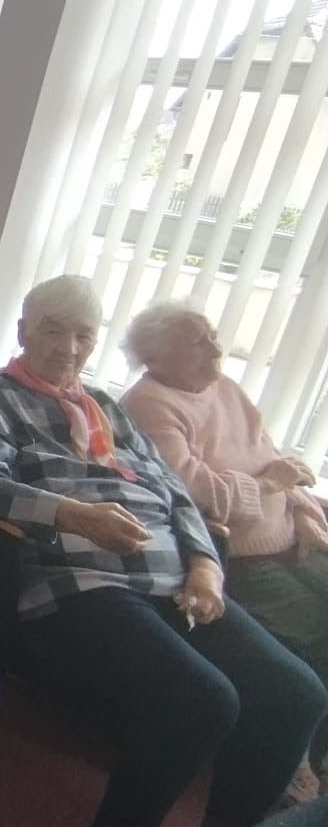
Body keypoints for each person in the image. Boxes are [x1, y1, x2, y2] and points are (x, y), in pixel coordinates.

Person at [0, 275, 326, 827]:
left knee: (294, 692)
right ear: (24, 329)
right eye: (53, 330)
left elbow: (175, 494)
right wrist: (71, 513)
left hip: (173, 580)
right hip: (79, 581)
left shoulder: (106, 405)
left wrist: (207, 565)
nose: (69, 347)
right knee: (202, 699)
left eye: (83, 335)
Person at [122, 302, 327, 800]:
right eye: (198, 340)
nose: (216, 347)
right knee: (318, 628)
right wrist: (271, 485)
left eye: (212, 334)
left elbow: (275, 460)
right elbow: (193, 492)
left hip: (291, 537)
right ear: (155, 355)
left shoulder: (228, 389)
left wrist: (305, 515)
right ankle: (293, 754)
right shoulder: (148, 404)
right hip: (236, 556)